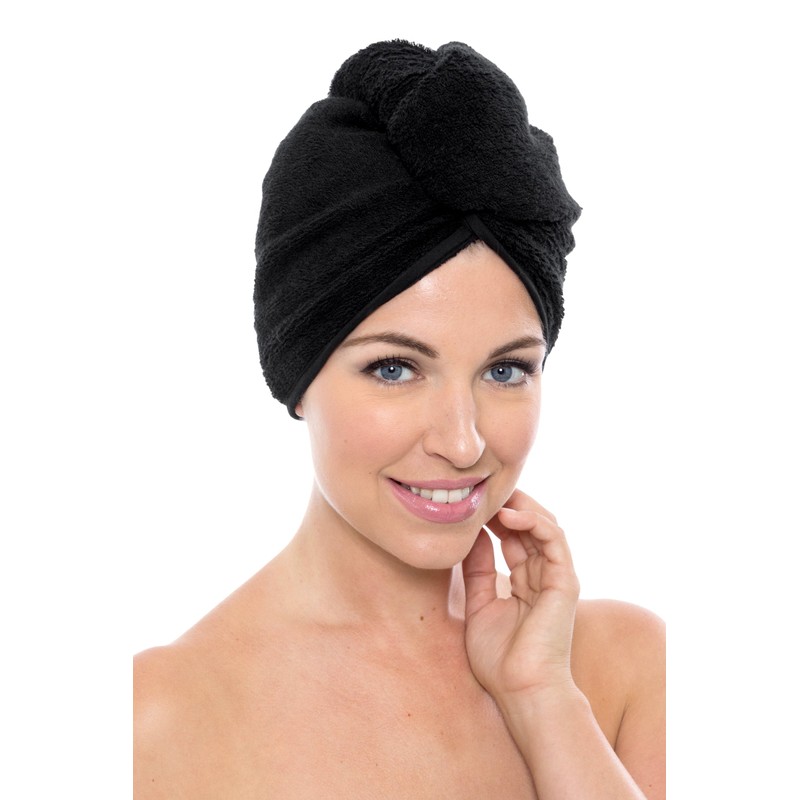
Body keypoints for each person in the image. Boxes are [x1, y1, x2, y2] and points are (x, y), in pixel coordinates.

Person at [134, 40, 665, 799]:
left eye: (505, 370)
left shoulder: (624, 671)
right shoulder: (154, 724)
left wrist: (541, 698)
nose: (463, 442)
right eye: (394, 368)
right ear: (296, 378)